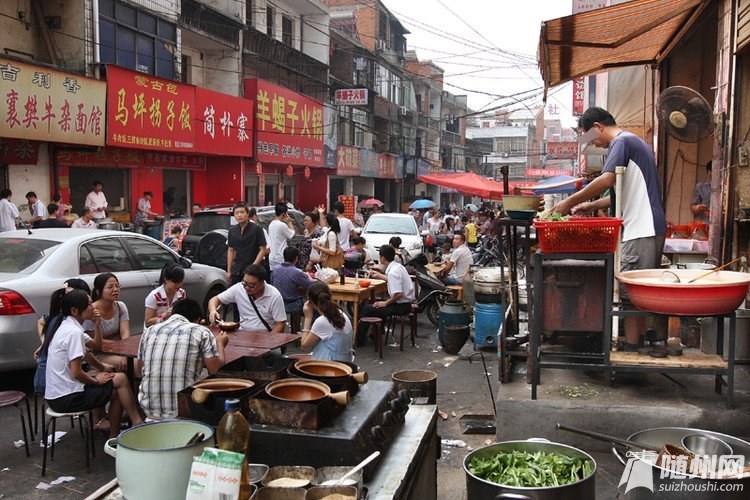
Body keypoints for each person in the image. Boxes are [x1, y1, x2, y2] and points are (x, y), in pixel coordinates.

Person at [552, 107, 667, 351]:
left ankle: (634, 347)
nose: (595, 145)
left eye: (590, 138)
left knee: (632, 293)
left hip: (641, 228)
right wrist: (589, 205)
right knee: (642, 290)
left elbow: (606, 180)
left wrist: (568, 202)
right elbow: (619, 194)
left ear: (598, 127)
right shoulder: (632, 143)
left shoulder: (621, 142)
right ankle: (644, 341)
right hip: (648, 226)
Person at [44, 289, 143, 438]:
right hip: (67, 397)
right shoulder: (73, 333)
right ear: (75, 310)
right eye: (89, 304)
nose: (93, 307)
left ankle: (118, 434)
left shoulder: (69, 326)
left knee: (116, 386)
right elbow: (77, 373)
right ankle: (134, 424)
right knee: (121, 379)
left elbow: (96, 346)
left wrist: (97, 325)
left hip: (58, 394)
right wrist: (96, 381)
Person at [137, 298, 228, 420]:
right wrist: (220, 345)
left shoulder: (149, 331)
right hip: (183, 412)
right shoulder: (201, 332)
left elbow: (139, 369)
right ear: (197, 320)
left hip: (149, 411)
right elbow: (216, 372)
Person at [356, 245, 415, 345]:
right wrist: (379, 275)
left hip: (401, 306)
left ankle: (360, 339)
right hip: (406, 303)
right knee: (377, 305)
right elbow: (394, 281)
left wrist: (385, 303)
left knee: (367, 308)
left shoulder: (393, 272)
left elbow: (398, 294)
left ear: (383, 258)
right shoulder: (398, 267)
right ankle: (377, 333)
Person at [208, 264, 286, 333]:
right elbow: (215, 300)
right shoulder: (238, 289)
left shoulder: (274, 295)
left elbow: (280, 324)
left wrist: (268, 340)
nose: (247, 288)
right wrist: (213, 311)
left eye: (252, 285)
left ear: (262, 283)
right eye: (245, 283)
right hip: (243, 334)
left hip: (266, 334)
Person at [83, 273, 131, 370]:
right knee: (130, 364)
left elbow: (125, 332)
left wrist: (125, 352)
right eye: (110, 287)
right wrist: (119, 347)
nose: (115, 290)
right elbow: (95, 342)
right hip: (98, 354)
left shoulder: (120, 306)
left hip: (120, 350)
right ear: (98, 291)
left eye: (117, 286)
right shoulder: (91, 311)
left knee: (139, 361)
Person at [301, 281, 353, 362]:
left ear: (310, 302)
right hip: (345, 364)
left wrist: (308, 318)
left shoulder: (321, 322)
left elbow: (304, 346)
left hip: (329, 368)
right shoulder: (340, 313)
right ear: (330, 296)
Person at [271, 247, 312, 333]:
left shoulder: (275, 269)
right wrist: (308, 276)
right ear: (296, 258)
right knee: (310, 306)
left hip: (276, 303)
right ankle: (297, 331)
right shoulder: (297, 272)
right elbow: (310, 285)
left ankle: (294, 330)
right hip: (292, 304)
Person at [226, 202, 267, 285]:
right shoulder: (232, 230)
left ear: (247, 214)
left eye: (242, 212)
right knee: (236, 294)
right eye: (237, 213)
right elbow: (231, 250)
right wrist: (229, 271)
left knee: (252, 294)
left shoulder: (257, 229)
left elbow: (263, 249)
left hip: (253, 269)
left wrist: (253, 266)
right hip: (237, 270)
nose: (239, 215)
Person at [144, 263, 187, 328]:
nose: (179, 285)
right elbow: (148, 322)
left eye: (181, 281)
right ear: (166, 280)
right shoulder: (154, 296)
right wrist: (165, 315)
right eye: (175, 282)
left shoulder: (182, 293)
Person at [268, 202, 296, 270]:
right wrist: (289, 222)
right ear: (284, 214)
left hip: (272, 257)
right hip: (280, 257)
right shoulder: (282, 225)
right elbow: (292, 235)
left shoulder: (271, 224)